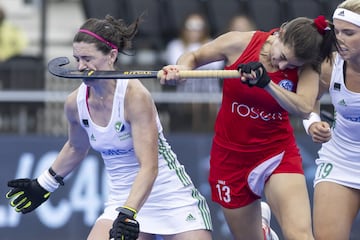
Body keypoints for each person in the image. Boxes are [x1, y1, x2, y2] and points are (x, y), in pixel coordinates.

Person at [5, 15, 213, 240]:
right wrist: (44, 184)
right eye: (77, 59)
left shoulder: (135, 96)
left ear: (112, 55)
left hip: (170, 198)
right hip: (122, 199)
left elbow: (149, 167)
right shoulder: (75, 104)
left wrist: (128, 213)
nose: (81, 67)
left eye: (87, 58)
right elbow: (76, 147)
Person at [159, 15, 337, 240]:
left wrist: (267, 84)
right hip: (230, 157)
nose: (282, 66)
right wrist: (179, 69)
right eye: (282, 57)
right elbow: (194, 56)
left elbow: (303, 106)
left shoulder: (308, 64)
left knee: (300, 235)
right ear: (280, 33)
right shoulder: (240, 42)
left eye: (291, 65)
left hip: (276, 153)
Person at [303, 0, 360, 239]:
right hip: (341, 159)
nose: (340, 39)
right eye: (336, 32)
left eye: (349, 33)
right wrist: (313, 123)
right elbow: (308, 103)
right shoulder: (330, 64)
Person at [164, 13, 223, 131]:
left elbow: (217, 64)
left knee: (209, 107)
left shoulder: (212, 43)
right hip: (185, 96)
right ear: (184, 28)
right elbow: (177, 63)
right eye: (190, 27)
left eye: (198, 27)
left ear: (204, 29)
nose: (194, 31)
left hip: (211, 97)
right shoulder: (175, 45)